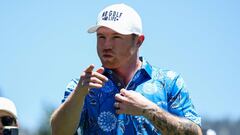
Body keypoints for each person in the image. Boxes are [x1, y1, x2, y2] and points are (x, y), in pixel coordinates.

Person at [50, 3, 202, 135]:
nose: (106, 45)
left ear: (138, 41)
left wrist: (148, 110)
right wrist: (78, 94)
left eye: (116, 37)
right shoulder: (83, 86)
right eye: (101, 37)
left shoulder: (168, 82)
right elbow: (58, 132)